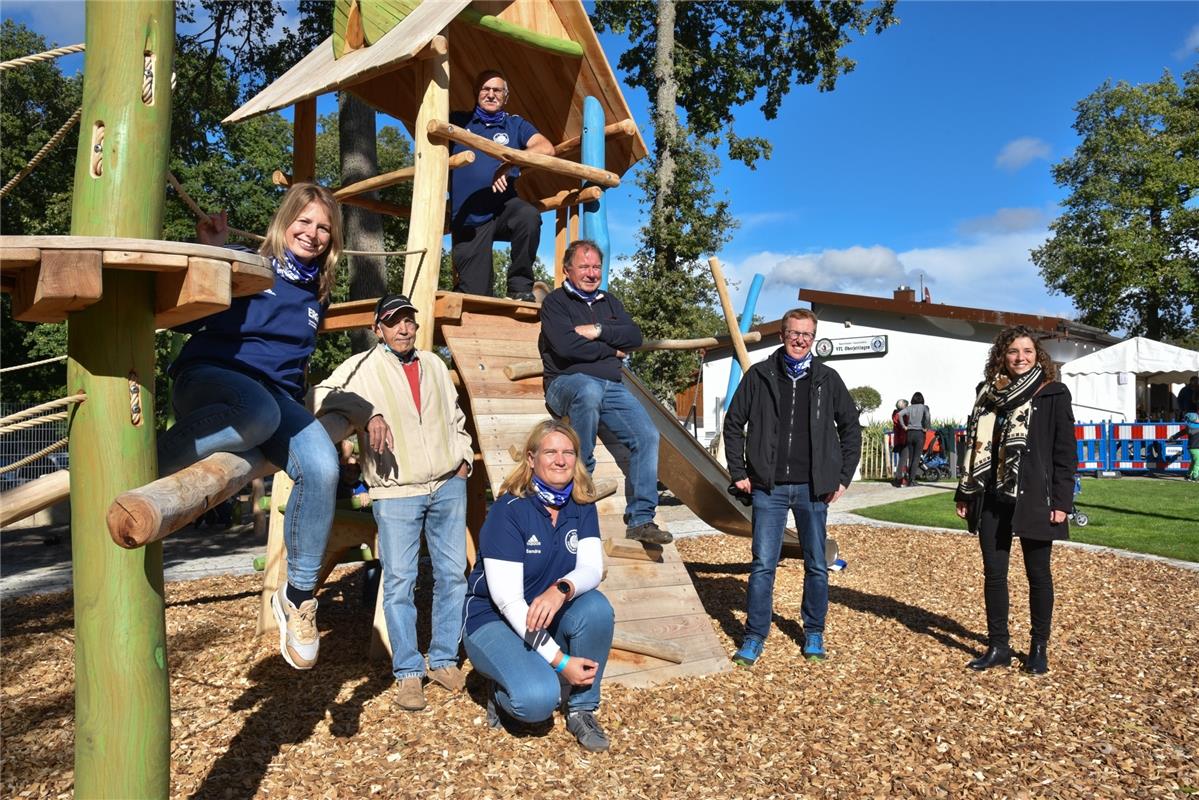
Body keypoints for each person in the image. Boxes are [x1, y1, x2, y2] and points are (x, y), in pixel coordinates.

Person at [159, 183, 343, 670]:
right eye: (304, 221)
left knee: (323, 463)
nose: (313, 233)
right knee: (257, 413)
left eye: (324, 227)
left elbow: (293, 369)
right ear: (284, 222)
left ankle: (299, 597)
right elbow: (178, 314)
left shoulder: (315, 295)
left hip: (273, 401)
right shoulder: (249, 263)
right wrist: (212, 253)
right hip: (213, 381)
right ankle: (150, 461)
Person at [315, 294, 475, 710]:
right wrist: (366, 413)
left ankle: (442, 659)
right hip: (395, 491)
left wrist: (462, 459)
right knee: (401, 582)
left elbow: (455, 415)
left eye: (408, 320)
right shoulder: (363, 366)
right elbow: (319, 395)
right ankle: (407, 672)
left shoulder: (435, 364)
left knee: (453, 575)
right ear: (378, 327)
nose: (403, 328)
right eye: (393, 322)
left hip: (447, 484)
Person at [462, 419, 615, 752]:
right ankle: (500, 690)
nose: (560, 460)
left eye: (568, 452)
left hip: (543, 612)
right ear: (531, 459)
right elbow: (509, 603)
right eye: (550, 452)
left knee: (597, 609)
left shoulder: (581, 503)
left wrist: (561, 589)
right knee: (536, 702)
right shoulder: (509, 511)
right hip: (493, 621)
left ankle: (582, 709)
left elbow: (591, 567)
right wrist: (561, 662)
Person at [723, 309, 861, 666]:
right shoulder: (760, 376)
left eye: (807, 335)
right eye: (794, 333)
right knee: (763, 564)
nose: (800, 340)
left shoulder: (827, 379)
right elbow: (734, 422)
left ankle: (814, 630)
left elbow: (851, 430)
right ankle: (754, 635)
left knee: (816, 564)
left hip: (813, 488)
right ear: (783, 335)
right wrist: (739, 470)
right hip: (768, 488)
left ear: (813, 338)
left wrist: (842, 477)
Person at [955, 326, 1076, 676]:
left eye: (1027, 351)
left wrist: (1062, 501)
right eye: (1013, 351)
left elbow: (1064, 453)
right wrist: (965, 492)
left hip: (1036, 496)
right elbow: (972, 447)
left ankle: (1038, 649)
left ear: (1037, 355)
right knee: (994, 574)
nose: (1020, 357)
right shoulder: (986, 393)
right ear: (1001, 356)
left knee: (1038, 574)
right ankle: (999, 646)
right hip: (991, 494)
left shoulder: (1052, 393)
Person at [538, 239, 671, 545]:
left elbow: (634, 336)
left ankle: (641, 519)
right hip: (564, 383)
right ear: (567, 270)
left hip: (611, 386)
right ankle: (582, 475)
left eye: (596, 266)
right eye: (584, 266)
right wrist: (611, 351)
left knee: (648, 435)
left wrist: (598, 331)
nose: (591, 272)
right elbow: (566, 347)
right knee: (587, 389)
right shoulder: (555, 303)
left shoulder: (609, 302)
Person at [449, 69, 554, 300]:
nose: (491, 94)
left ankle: (520, 288)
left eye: (497, 90)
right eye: (485, 89)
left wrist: (509, 161)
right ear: (476, 93)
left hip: (503, 208)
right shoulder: (457, 121)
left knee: (528, 216)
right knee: (476, 298)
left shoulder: (515, 124)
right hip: (469, 219)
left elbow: (546, 147)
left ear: (506, 96)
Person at [899, 391, 931, 486]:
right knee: (916, 458)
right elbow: (928, 416)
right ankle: (911, 481)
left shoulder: (909, 408)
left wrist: (904, 426)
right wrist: (926, 427)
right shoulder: (924, 407)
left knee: (911, 457)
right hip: (919, 433)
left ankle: (910, 479)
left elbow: (900, 414)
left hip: (909, 433)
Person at [890, 398, 908, 487]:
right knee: (903, 460)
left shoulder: (895, 414)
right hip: (903, 439)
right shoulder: (901, 415)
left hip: (899, 439)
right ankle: (900, 479)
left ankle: (901, 478)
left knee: (902, 460)